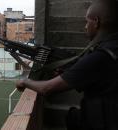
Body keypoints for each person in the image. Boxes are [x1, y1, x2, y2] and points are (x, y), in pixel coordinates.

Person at [16, 0, 118, 130]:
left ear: (96, 22)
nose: (85, 27)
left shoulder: (101, 56)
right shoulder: (111, 49)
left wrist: (25, 82)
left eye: (87, 22)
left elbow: (46, 88)